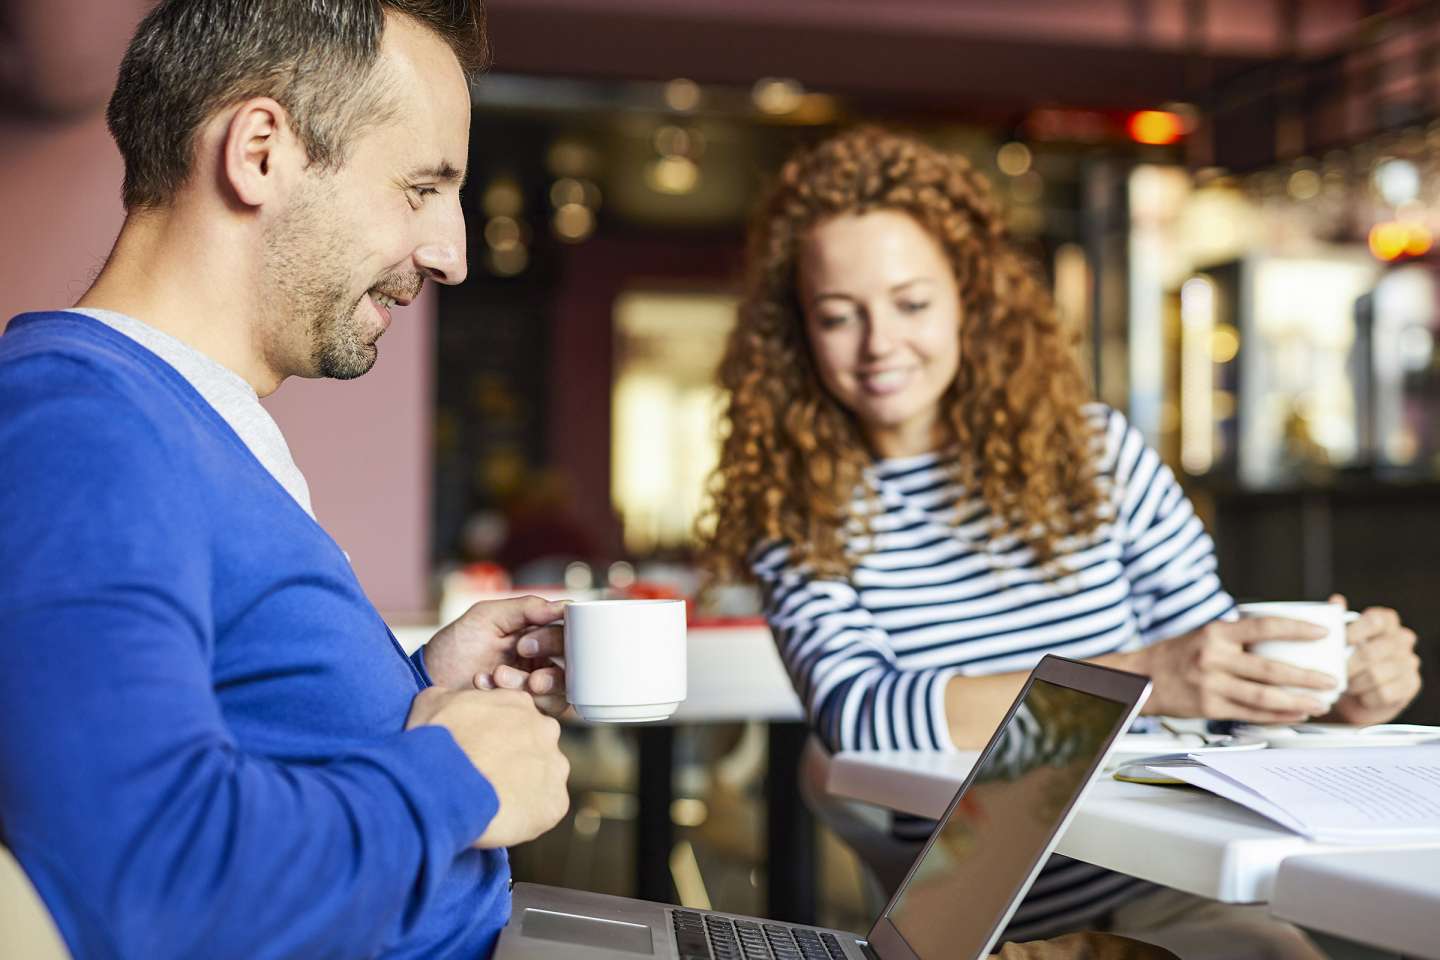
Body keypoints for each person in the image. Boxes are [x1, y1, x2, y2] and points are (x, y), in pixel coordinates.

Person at [699, 127, 1422, 958]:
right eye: (837, 316)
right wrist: (1152, 677)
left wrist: (1338, 695)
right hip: (986, 922)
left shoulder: (1096, 453)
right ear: (798, 332)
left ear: (970, 296)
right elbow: (860, 716)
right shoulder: (798, 506)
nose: (879, 344)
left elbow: (1218, 687)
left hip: (1173, 887)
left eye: (912, 303)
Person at [0, 3, 573, 958]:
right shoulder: (82, 424)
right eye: (423, 186)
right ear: (260, 151)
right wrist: (454, 777)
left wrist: (413, 686)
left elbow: (235, 737)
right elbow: (144, 871)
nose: (453, 255)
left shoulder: (175, 417)